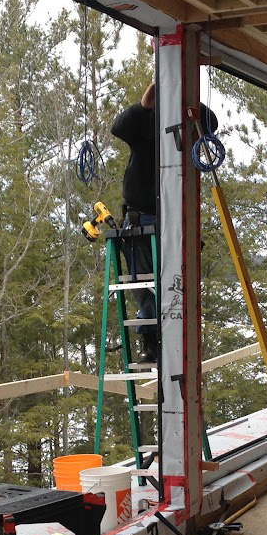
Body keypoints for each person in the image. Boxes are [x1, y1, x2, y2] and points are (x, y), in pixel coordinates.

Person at [110, 80, 217, 363]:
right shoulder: (144, 123)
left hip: (174, 219)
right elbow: (119, 127)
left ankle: (172, 343)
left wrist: (185, 92)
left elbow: (211, 122)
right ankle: (150, 342)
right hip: (141, 220)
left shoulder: (189, 122)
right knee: (145, 285)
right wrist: (151, 95)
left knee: (174, 283)